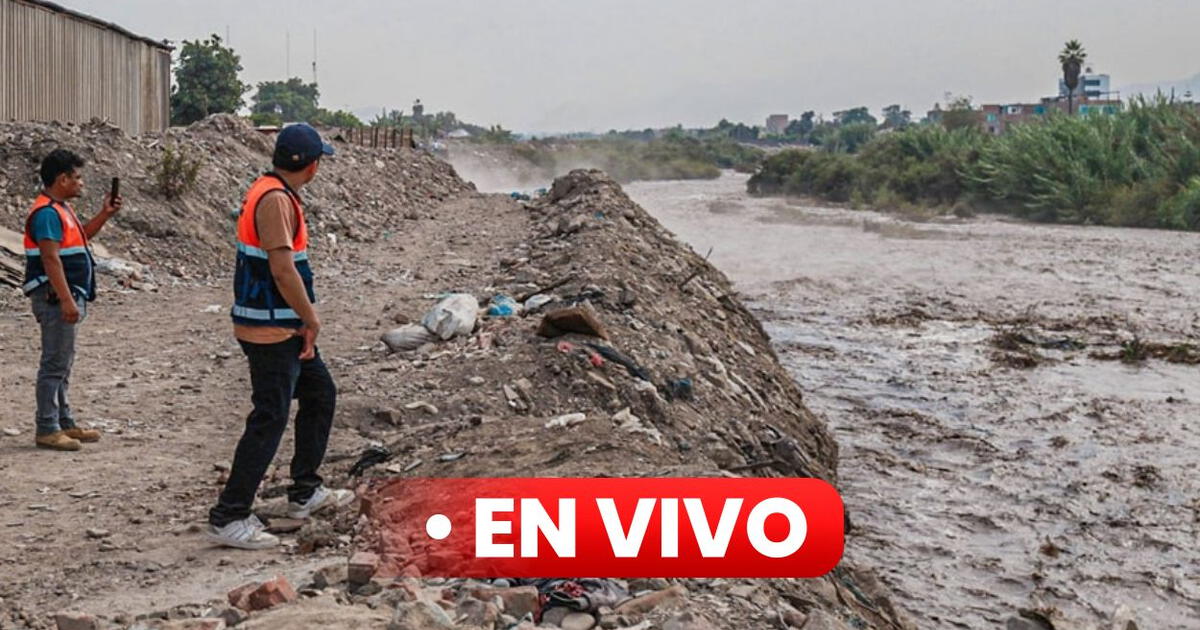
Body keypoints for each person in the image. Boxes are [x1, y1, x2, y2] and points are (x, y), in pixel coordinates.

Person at [207, 124, 352, 550]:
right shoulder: (273, 200)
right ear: (310, 164)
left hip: (282, 324)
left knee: (320, 394)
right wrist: (311, 319)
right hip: (271, 327)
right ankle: (229, 515)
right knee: (269, 416)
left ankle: (305, 491)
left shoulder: (276, 193)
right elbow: (282, 270)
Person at [23, 149, 122, 451]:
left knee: (63, 362)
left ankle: (63, 422)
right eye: (77, 178)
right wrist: (66, 300)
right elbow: (51, 259)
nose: (81, 183)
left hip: (65, 296)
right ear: (62, 179)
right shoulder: (47, 214)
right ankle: (47, 427)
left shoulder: (60, 210)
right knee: (54, 363)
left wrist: (104, 214)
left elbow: (80, 240)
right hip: (55, 298)